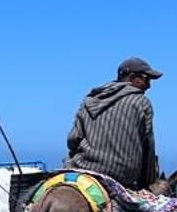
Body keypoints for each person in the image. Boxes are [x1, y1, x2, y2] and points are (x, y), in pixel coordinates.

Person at [66, 57, 162, 190]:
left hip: (83, 167)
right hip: (120, 176)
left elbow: (73, 139)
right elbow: (148, 147)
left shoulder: (89, 100)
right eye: (146, 79)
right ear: (132, 77)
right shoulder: (141, 102)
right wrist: (148, 182)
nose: (149, 86)